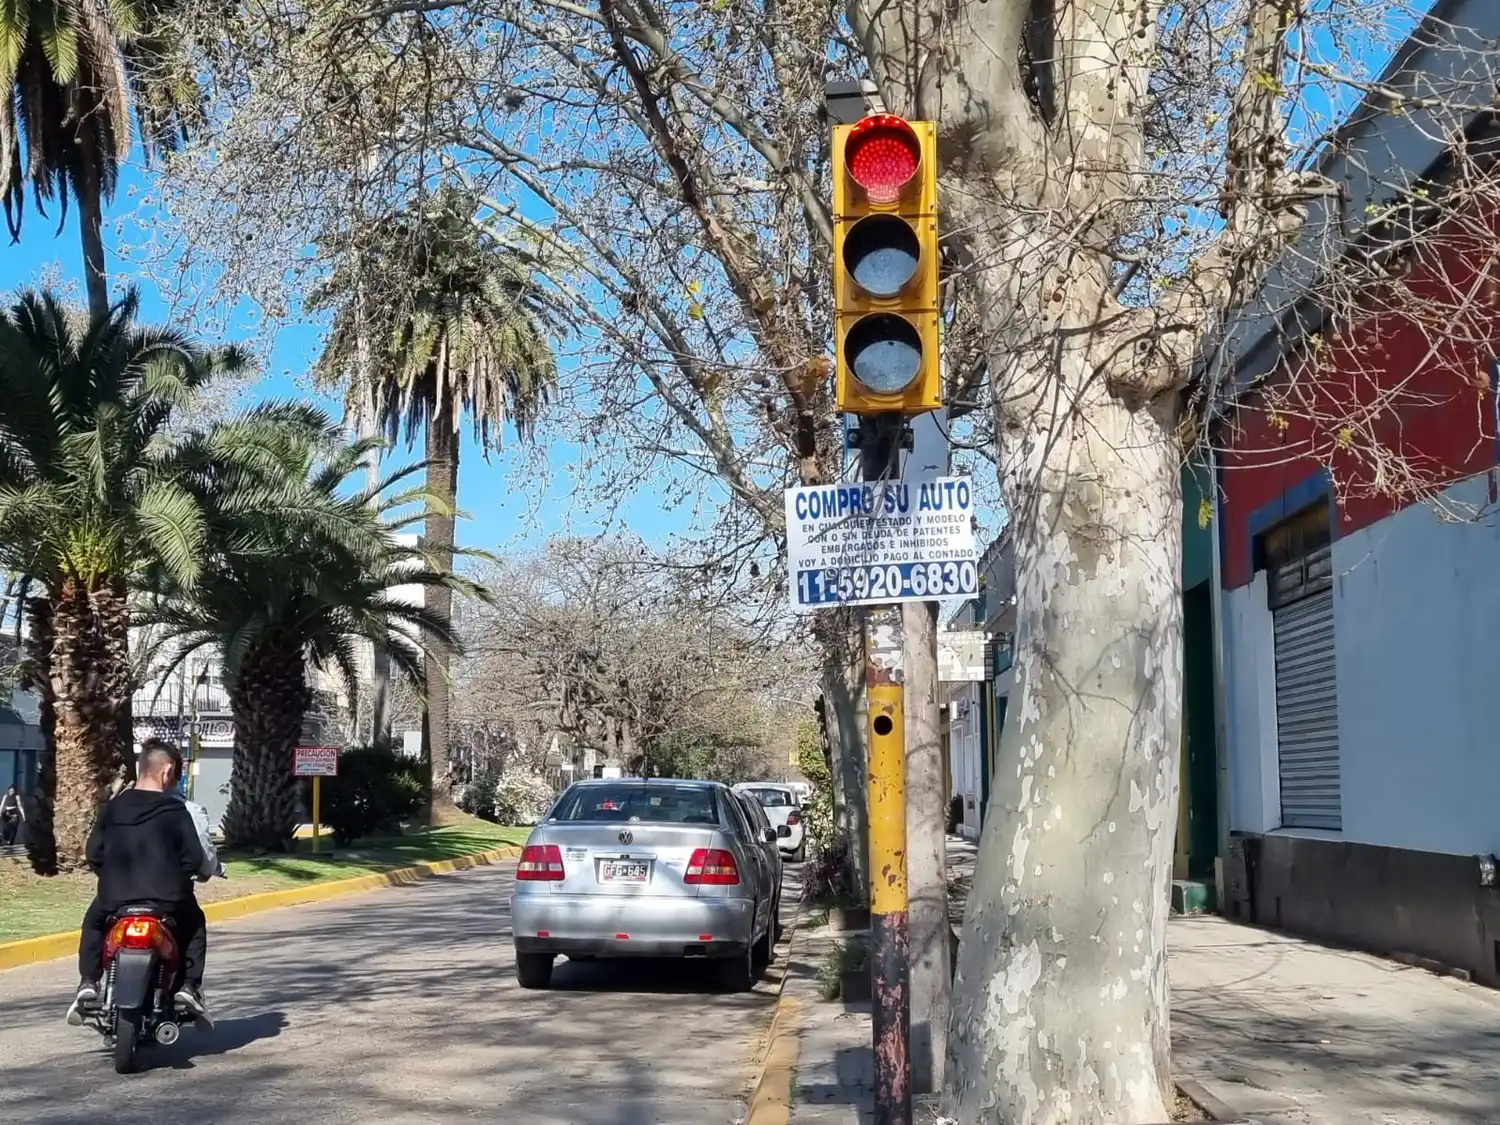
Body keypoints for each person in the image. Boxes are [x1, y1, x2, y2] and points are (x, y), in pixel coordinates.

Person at [67, 740, 212, 1026]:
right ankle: (188, 987)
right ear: (167, 771)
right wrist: (175, 877)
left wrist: (113, 878)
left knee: (94, 922)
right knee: (194, 924)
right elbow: (193, 858)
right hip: (167, 899)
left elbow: (93, 853)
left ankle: (88, 982)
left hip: (115, 897)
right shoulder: (175, 811)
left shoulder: (112, 809)